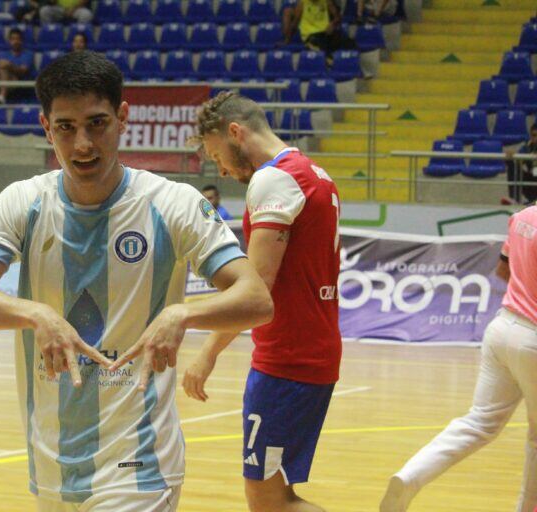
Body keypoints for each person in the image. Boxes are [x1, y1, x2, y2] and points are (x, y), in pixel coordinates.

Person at [0, 52, 274, 512]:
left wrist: (183, 313)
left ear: (122, 119)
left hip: (139, 466)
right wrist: (35, 313)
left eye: (97, 123)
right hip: (52, 465)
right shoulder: (23, 202)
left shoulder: (172, 204)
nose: (82, 144)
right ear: (45, 126)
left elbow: (256, 298)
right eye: (66, 127)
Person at [184, 91, 342, 512]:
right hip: (309, 353)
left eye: (218, 154)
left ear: (236, 132)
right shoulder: (314, 172)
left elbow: (255, 292)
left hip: (288, 361)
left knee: (269, 502)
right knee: (276, 497)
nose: (219, 167)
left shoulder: (273, 180)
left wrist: (206, 353)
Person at [380, 205, 537, 512]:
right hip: (533, 338)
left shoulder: (522, 217)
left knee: (477, 423)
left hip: (502, 327)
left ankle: (409, 476)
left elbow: (504, 270)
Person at [0, 28, 34, 104]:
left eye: (18, 39)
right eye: (13, 39)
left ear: (22, 41)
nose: (15, 42)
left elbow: (22, 72)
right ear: (9, 41)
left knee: (4, 65)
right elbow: (0, 69)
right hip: (4, 81)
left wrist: (9, 65)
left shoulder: (28, 54)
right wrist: (6, 66)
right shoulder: (4, 54)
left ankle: (2, 96)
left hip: (18, 82)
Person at [287, 0, 356, 57]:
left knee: (350, 43)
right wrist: (287, 40)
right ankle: (329, 63)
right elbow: (294, 24)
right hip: (310, 36)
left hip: (325, 33)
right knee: (323, 49)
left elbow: (338, 18)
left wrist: (333, 24)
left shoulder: (326, 1)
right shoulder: (302, 3)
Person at [503, 123, 537, 206]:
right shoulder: (527, 147)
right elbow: (518, 158)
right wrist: (512, 155)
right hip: (531, 179)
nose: (536, 138)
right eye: (534, 135)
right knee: (512, 164)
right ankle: (514, 199)